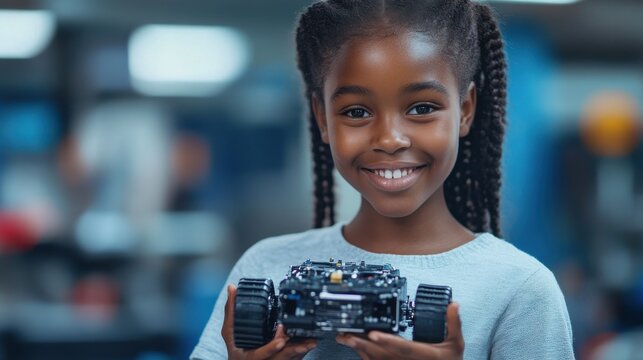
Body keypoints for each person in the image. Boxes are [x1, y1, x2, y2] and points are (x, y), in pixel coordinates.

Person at [191, 0, 575, 359]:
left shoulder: (519, 288)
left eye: (422, 108)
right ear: (323, 118)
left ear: (465, 110)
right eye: (356, 112)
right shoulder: (264, 266)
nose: (390, 139)